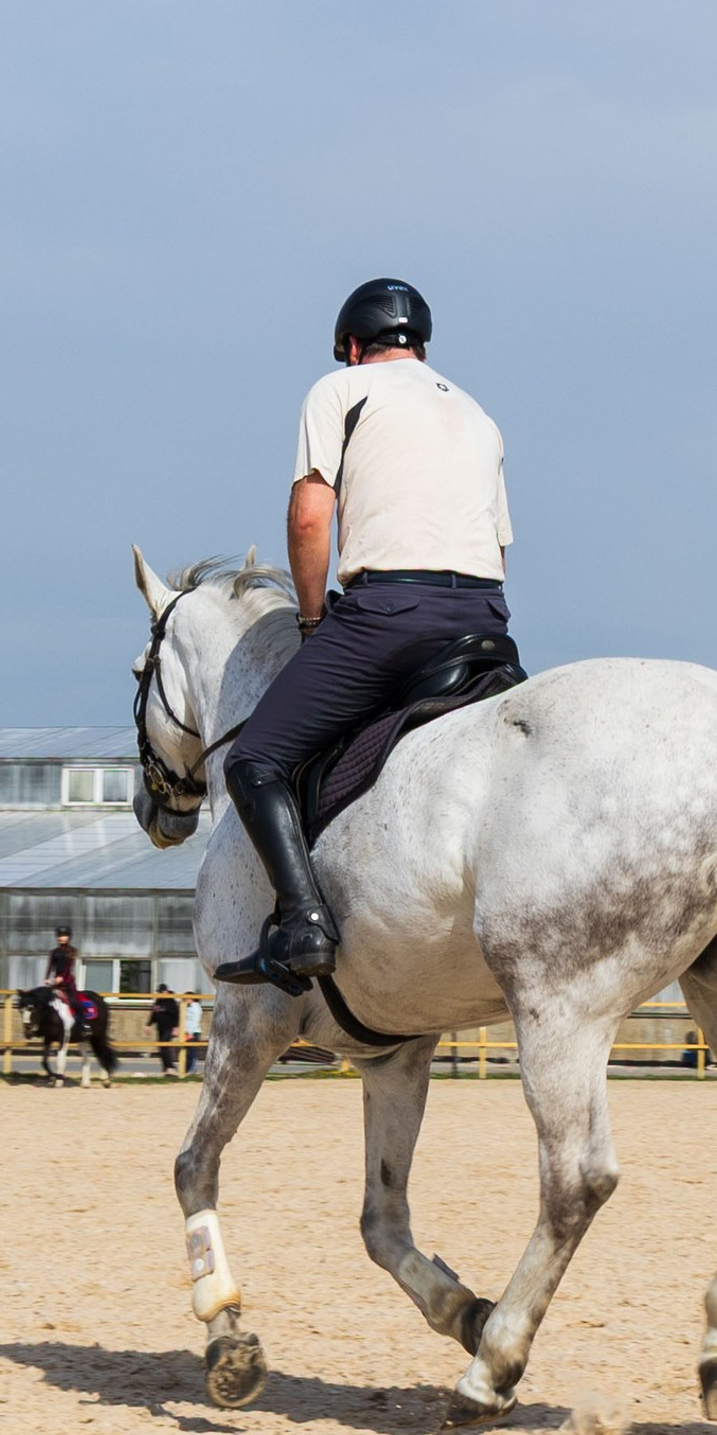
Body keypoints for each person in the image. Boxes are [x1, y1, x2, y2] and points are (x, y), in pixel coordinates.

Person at [215, 277, 514, 993]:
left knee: (254, 760)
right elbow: (499, 551)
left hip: (388, 614)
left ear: (353, 345)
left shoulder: (339, 391)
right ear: (420, 345)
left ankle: (302, 923)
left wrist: (316, 622)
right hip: (484, 620)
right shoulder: (479, 416)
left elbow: (311, 517)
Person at [44, 924, 80, 1012]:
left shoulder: (72, 950)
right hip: (56, 979)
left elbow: (69, 965)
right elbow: (50, 965)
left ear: (68, 937)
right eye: (60, 936)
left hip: (67, 979)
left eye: (64, 935)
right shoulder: (54, 952)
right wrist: (46, 978)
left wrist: (62, 977)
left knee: (75, 1002)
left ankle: (82, 1022)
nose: (62, 938)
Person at [149, 985, 181, 1073]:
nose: (159, 994)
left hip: (169, 1027)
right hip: (160, 1028)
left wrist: (176, 1027)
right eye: (159, 992)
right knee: (161, 1048)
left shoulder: (171, 1002)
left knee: (164, 1046)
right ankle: (166, 1067)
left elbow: (176, 1015)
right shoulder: (158, 1001)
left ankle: (170, 1066)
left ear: (166, 991)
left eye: (161, 992)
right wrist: (149, 1024)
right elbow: (154, 1014)